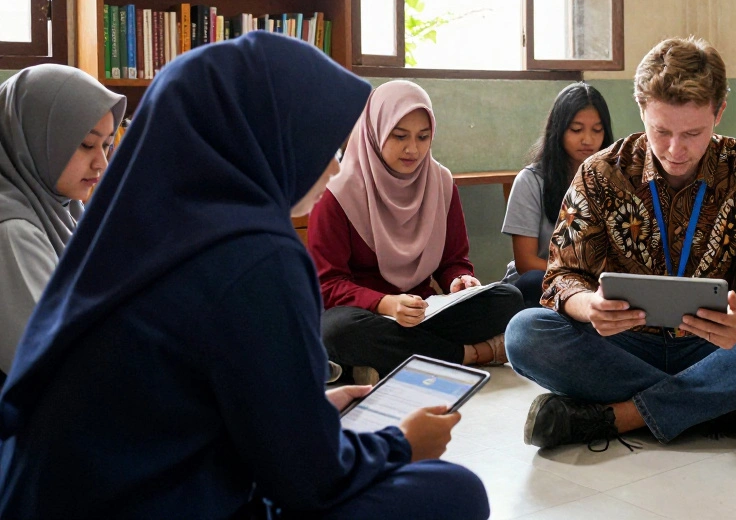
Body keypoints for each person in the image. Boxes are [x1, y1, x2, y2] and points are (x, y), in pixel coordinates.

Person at [0, 32, 488, 519]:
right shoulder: (256, 252)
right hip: (156, 502)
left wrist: (302, 415)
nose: (337, 166)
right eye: (322, 144)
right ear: (269, 137)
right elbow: (310, 480)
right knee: (453, 490)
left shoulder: (122, 222)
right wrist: (400, 443)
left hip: (46, 495)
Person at [505, 37, 736, 450]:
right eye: (661, 131)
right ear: (641, 109)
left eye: (693, 133)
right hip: (620, 343)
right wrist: (590, 307)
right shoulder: (601, 173)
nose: (676, 150)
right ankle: (728, 406)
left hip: (716, 345)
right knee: (525, 333)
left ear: (719, 111)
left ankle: (618, 416)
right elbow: (562, 276)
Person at [309, 80, 524, 383]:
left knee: (507, 298)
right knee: (336, 332)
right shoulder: (338, 192)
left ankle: (385, 360)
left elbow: (453, 260)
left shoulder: (439, 182)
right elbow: (327, 285)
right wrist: (386, 303)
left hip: (422, 311)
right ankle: (472, 355)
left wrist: (459, 281)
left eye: (423, 137)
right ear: (375, 131)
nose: (413, 149)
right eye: (399, 136)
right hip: (364, 314)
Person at [0, 66, 125, 378]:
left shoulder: (64, 207)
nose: (102, 163)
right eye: (86, 144)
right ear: (32, 137)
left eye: (107, 144)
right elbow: (55, 363)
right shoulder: (12, 230)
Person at [503, 82, 614, 308]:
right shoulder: (531, 181)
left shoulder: (613, 179)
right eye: (576, 129)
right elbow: (525, 262)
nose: (588, 140)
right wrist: (577, 281)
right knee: (533, 283)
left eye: (597, 130)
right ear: (558, 130)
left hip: (593, 286)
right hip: (542, 281)